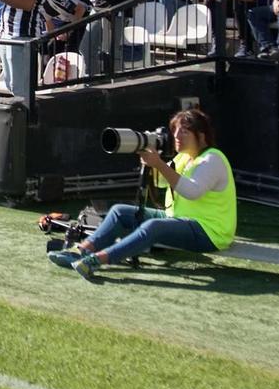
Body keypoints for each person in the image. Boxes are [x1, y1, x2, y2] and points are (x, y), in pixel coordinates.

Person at [51, 108, 235, 281]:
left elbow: (192, 192)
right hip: (180, 218)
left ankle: (97, 260)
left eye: (184, 132)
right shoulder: (184, 157)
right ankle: (81, 250)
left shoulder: (212, 159)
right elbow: (162, 183)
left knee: (154, 226)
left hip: (209, 232)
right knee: (119, 211)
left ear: (201, 136)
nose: (176, 137)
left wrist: (160, 164)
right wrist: (152, 163)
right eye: (176, 131)